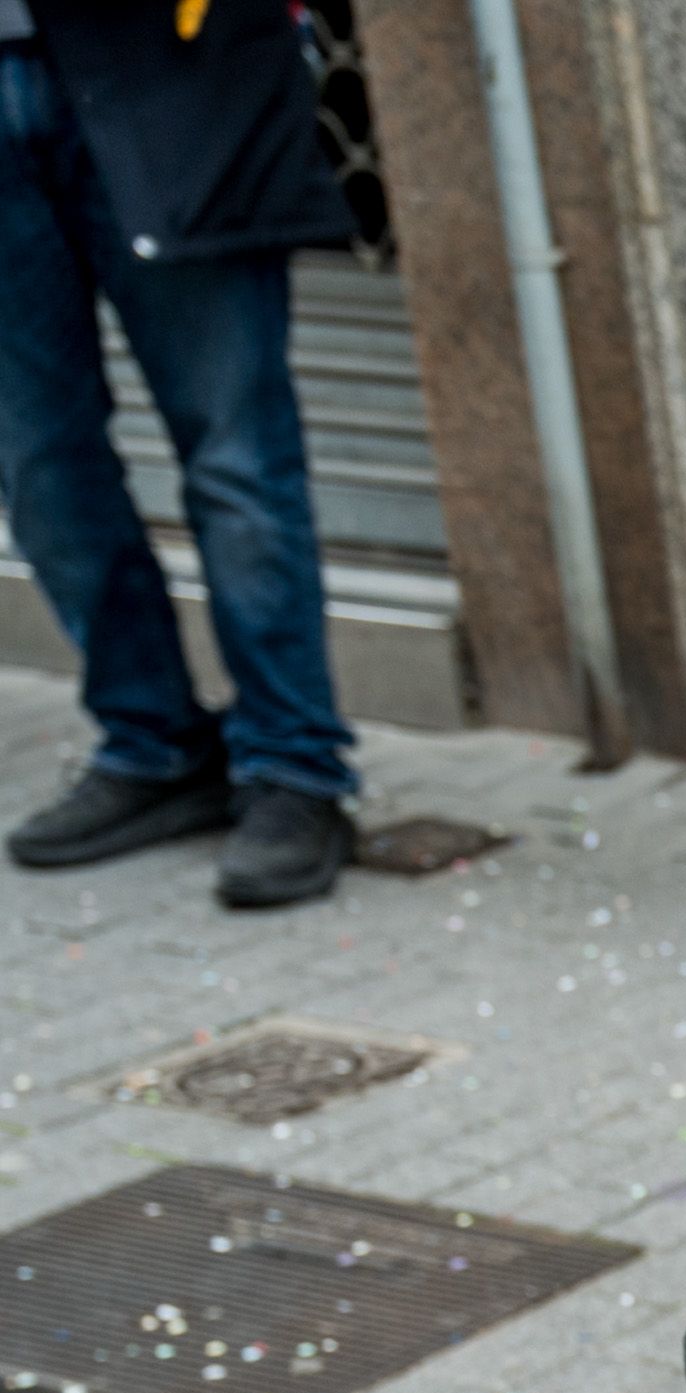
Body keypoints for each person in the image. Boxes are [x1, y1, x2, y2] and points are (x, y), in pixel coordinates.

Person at [0, 0, 361, 904]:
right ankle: (151, 742)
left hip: (174, 71)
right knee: (37, 462)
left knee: (235, 450)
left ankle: (294, 766)